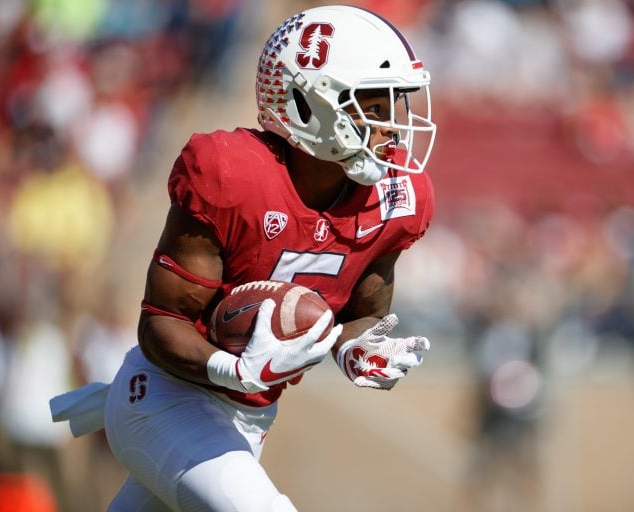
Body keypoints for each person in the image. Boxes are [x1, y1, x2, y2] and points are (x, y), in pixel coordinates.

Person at [50, 4, 437, 511]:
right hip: (166, 397)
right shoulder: (231, 174)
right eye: (374, 105)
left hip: (249, 420)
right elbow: (161, 325)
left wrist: (355, 349)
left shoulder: (394, 199)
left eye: (396, 106)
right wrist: (234, 371)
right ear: (309, 104)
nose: (393, 128)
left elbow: (361, 314)